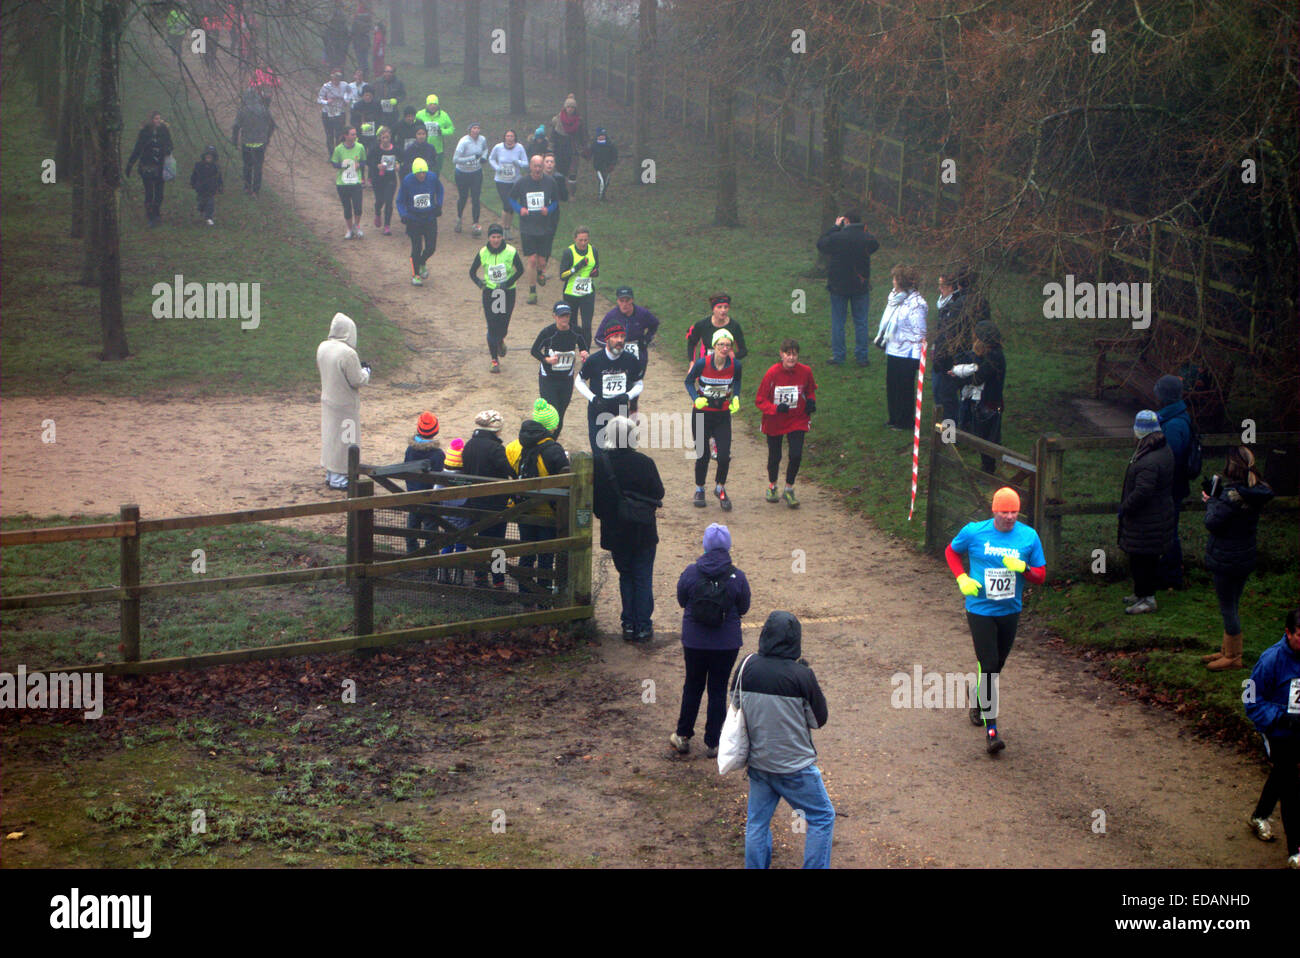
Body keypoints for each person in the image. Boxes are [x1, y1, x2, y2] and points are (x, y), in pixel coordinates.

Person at [946, 487, 1046, 755]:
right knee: (989, 666)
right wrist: (962, 578)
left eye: (1014, 511)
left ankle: (978, 699)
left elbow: (1041, 575)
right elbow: (951, 552)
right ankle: (992, 732)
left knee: (996, 666)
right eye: (1005, 511)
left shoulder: (1028, 536)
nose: (1010, 516)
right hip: (979, 609)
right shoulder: (974, 532)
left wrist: (1023, 568)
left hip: (1010, 611)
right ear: (994, 511)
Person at [732, 610, 834, 869]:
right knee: (822, 816)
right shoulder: (801, 675)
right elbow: (818, 720)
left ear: (765, 634)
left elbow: (735, 705)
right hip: (796, 768)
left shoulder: (746, 666)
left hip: (759, 763)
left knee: (757, 822)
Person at [671, 523, 751, 757]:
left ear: (705, 546)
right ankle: (714, 743)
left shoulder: (691, 572)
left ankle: (683, 735)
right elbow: (744, 606)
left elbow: (682, 599)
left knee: (693, 686)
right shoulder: (738, 576)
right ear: (728, 547)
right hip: (726, 644)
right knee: (717, 689)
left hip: (695, 642)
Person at [1200, 447, 1275, 670]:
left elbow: (1212, 522)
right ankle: (1228, 649)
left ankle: (1233, 657)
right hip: (1244, 556)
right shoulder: (1254, 493)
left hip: (1226, 558)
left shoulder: (1230, 498)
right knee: (1232, 602)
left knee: (1228, 606)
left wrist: (1211, 500)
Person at [591, 416, 664, 641]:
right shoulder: (645, 462)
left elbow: (597, 505)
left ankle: (629, 624)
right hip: (643, 530)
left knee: (626, 576)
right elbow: (658, 493)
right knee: (643, 577)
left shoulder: (601, 464)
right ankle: (643, 625)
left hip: (616, 532)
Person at [1244, 609, 1300, 869]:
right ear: (1288, 633)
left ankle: (1259, 816)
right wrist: (1281, 718)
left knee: (1282, 774)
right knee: (1290, 782)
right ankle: (1295, 852)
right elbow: (1251, 701)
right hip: (1277, 731)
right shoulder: (1270, 660)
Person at [505, 399, 570, 590]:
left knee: (526, 552)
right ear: (551, 428)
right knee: (546, 557)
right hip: (548, 513)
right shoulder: (554, 451)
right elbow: (565, 481)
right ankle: (543, 597)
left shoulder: (512, 447)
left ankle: (526, 596)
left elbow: (508, 474)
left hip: (523, 510)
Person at [1117, 411, 1176, 615]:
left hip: (1147, 519)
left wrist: (1125, 507)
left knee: (1144, 559)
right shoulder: (1162, 449)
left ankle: (1147, 598)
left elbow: (1143, 491)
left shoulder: (1149, 459)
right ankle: (1140, 593)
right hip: (1155, 516)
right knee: (1141, 558)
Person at [685, 328, 743, 511]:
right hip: (702, 414)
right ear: (714, 346)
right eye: (721, 345)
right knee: (702, 455)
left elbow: (738, 381)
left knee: (724, 456)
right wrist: (696, 399)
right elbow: (688, 381)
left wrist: (735, 397)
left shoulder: (735, 365)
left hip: (722, 415)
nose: (724, 348)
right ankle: (699, 488)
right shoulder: (703, 363)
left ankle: (720, 487)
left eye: (728, 345)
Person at [755, 338, 816, 507]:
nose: (791, 358)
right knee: (775, 456)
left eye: (794, 354)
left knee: (796, 454)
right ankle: (772, 485)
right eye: (788, 354)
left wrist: (811, 402)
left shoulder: (805, 371)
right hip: (775, 420)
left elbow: (810, 391)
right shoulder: (772, 373)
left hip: (797, 419)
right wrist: (775, 408)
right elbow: (760, 400)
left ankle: (789, 488)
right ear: (781, 355)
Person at [816, 210, 880, 367]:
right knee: (861, 322)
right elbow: (874, 244)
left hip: (838, 286)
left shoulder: (837, 237)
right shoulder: (866, 238)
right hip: (860, 285)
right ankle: (862, 357)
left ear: (846, 221)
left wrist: (835, 227)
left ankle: (839, 356)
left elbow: (821, 244)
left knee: (838, 322)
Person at [462, 410, 517, 588]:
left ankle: (480, 576)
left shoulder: (469, 445)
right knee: (497, 545)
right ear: (496, 430)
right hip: (495, 505)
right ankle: (499, 581)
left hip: (474, 502)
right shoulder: (496, 448)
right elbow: (508, 471)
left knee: (480, 542)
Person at [317, 312, 371, 490]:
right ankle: (339, 479)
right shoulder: (348, 353)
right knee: (346, 442)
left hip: (328, 402)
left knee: (332, 440)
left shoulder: (323, 347)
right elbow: (357, 380)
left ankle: (331, 474)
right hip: (345, 406)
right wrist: (367, 372)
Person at [931, 266, 990, 426]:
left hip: (952, 358)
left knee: (948, 400)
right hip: (974, 354)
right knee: (968, 396)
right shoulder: (981, 302)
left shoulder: (956, 306)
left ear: (958, 285)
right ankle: (966, 430)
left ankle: (949, 438)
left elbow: (948, 335)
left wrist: (939, 359)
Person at [948, 319, 1006, 473]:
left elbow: (978, 377)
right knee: (982, 439)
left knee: (988, 442)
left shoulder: (995, 357)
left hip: (990, 404)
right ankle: (986, 469)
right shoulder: (989, 355)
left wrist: (959, 375)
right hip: (985, 403)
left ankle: (988, 472)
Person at [575, 323, 644, 453]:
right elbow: (579, 381)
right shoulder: (595, 360)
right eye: (615, 336)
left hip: (621, 410)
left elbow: (639, 384)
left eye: (622, 337)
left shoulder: (631, 359)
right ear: (607, 339)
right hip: (598, 410)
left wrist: (628, 396)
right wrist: (593, 398)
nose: (619, 340)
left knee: (623, 451)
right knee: (599, 452)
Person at [1154, 373, 1194, 589]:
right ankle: (1169, 571)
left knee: (1169, 531)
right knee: (1168, 529)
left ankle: (1172, 574)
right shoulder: (1175, 417)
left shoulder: (1173, 424)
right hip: (1173, 485)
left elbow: (1171, 458)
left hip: (1171, 487)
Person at [469, 224, 524, 370]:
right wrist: (481, 284)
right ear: (489, 238)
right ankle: (494, 360)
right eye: (493, 237)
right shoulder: (483, 252)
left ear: (502, 237)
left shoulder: (511, 251)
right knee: (492, 325)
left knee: (503, 324)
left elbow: (520, 270)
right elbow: (472, 272)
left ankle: (500, 340)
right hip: (491, 293)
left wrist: (508, 283)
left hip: (507, 293)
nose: (496, 240)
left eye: (499, 237)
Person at [530, 302, 589, 436]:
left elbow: (583, 347)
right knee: (551, 413)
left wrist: (584, 353)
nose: (564, 319)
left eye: (567, 315)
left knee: (560, 416)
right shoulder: (547, 333)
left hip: (566, 379)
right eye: (561, 316)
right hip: (548, 378)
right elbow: (534, 351)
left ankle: (551, 443)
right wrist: (546, 360)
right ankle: (545, 444)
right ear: (554, 316)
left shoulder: (576, 331)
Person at [509, 156, 559, 306]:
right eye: (535, 166)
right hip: (528, 227)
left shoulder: (550, 182)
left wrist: (548, 209)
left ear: (543, 166)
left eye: (540, 166)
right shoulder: (522, 182)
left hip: (544, 227)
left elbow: (556, 201)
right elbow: (511, 199)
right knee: (531, 259)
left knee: (542, 261)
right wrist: (520, 209)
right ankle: (532, 292)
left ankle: (540, 272)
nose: (537, 169)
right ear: (530, 166)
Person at [595, 287, 660, 397]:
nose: (624, 304)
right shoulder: (612, 316)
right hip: (618, 359)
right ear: (617, 301)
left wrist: (646, 340)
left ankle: (632, 411)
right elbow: (598, 338)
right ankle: (620, 412)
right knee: (621, 390)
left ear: (632, 300)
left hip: (639, 356)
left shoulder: (642, 313)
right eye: (621, 301)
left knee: (635, 389)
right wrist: (612, 347)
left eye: (627, 300)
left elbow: (654, 324)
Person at [395, 157, 443, 286]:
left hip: (430, 218)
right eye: (419, 173)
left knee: (431, 247)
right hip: (414, 219)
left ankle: (422, 262)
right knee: (416, 248)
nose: (422, 176)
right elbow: (400, 201)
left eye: (424, 173)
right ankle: (415, 274)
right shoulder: (407, 181)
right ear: (414, 173)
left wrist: (439, 205)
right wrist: (403, 215)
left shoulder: (432, 178)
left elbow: (440, 190)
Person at [403, 411, 444, 553]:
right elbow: (439, 478)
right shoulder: (438, 454)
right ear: (436, 430)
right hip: (430, 500)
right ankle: (431, 562)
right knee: (431, 532)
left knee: (411, 529)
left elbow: (405, 470)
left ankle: (411, 556)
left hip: (413, 496)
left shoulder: (410, 450)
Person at [124, 111, 174, 227]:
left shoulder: (164, 130)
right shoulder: (144, 132)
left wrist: (167, 150)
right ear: (151, 120)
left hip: (161, 166)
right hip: (147, 165)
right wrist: (130, 165)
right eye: (156, 119)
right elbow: (138, 148)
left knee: (159, 193)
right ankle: (150, 216)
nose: (158, 121)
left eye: (159, 119)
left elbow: (170, 144)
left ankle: (157, 214)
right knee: (149, 193)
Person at [434, 438, 470, 584]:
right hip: (463, 516)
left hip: (446, 515)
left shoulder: (442, 476)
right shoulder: (466, 478)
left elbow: (435, 492)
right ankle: (459, 574)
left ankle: (442, 572)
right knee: (461, 543)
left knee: (447, 542)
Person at [231, 84, 276, 195]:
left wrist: (234, 142)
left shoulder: (242, 110)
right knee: (258, 167)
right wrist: (267, 138)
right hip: (260, 143)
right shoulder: (264, 109)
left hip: (246, 143)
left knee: (247, 166)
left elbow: (236, 127)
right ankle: (256, 191)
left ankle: (247, 188)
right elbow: (272, 125)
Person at [559, 226, 600, 345]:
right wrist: (577, 267)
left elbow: (596, 267)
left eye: (586, 240)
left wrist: (595, 272)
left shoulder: (593, 251)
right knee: (572, 325)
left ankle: (586, 353)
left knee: (587, 325)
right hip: (571, 293)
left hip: (587, 293)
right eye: (580, 240)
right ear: (575, 239)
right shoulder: (569, 252)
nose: (583, 243)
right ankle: (570, 350)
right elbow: (562, 276)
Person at [686, 293, 749, 364]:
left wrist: (734, 356)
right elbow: (692, 344)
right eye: (719, 307)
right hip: (705, 365)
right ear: (713, 309)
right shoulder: (702, 325)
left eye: (726, 307)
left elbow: (743, 350)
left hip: (726, 366)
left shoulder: (734, 326)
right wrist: (692, 363)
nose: (723, 310)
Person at [488, 130, 528, 240]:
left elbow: (526, 164)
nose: (510, 138)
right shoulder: (498, 147)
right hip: (501, 181)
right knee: (507, 204)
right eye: (507, 136)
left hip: (515, 181)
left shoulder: (519, 148)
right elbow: (491, 159)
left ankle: (507, 228)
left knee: (510, 207)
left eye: (512, 136)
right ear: (504, 137)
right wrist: (497, 168)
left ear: (515, 138)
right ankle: (503, 228)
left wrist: (518, 162)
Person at [331, 125, 368, 239]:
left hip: (356, 182)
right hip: (342, 183)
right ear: (346, 136)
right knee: (347, 208)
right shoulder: (338, 149)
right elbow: (334, 163)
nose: (355, 136)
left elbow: (364, 161)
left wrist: (359, 165)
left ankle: (356, 226)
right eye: (352, 134)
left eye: (355, 134)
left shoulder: (360, 147)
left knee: (358, 207)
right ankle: (349, 229)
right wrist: (343, 165)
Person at [452, 122, 488, 235]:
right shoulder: (464, 142)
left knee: (476, 198)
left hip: (476, 172)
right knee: (463, 197)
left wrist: (484, 157)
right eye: (474, 128)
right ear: (470, 130)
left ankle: (475, 224)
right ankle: (459, 218)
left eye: (478, 128)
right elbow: (455, 159)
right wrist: (472, 157)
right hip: (462, 173)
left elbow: (485, 149)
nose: (476, 130)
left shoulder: (482, 139)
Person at [550, 94, 587, 197]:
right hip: (559, 149)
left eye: (572, 107)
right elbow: (553, 136)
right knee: (560, 172)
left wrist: (584, 148)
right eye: (568, 107)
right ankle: (560, 193)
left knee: (572, 173)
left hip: (573, 149)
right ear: (565, 107)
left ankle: (571, 194)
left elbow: (582, 137)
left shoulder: (579, 122)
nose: (570, 109)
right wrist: (550, 149)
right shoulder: (557, 120)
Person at [368, 126, 400, 234]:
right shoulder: (376, 149)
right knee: (379, 201)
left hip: (391, 178)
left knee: (389, 201)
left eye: (387, 137)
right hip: (378, 178)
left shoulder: (395, 149)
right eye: (383, 138)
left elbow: (402, 158)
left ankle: (387, 225)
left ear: (390, 137)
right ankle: (377, 213)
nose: (386, 140)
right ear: (380, 139)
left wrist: (398, 165)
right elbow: (369, 161)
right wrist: (377, 165)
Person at [414, 93, 455, 176]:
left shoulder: (444, 115)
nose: (433, 106)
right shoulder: (419, 114)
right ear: (426, 105)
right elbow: (413, 127)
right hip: (422, 148)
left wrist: (442, 131)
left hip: (438, 149)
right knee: (422, 171)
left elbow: (451, 129)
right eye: (430, 104)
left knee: (435, 171)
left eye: (435, 104)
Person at [317, 69, 349, 159]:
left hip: (340, 113)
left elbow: (349, 94)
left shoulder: (345, 85)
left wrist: (346, 100)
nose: (336, 80)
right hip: (328, 113)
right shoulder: (326, 86)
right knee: (329, 135)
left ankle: (339, 154)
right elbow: (319, 99)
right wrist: (327, 101)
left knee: (340, 134)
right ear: (331, 78)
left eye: (338, 78)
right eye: (334, 78)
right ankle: (331, 155)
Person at [189, 144, 223, 227]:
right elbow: (194, 175)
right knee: (201, 202)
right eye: (207, 156)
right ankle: (201, 210)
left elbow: (219, 178)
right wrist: (193, 183)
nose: (208, 158)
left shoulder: (216, 167)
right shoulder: (199, 165)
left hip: (211, 188)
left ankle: (209, 217)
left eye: (210, 157)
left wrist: (220, 187)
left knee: (210, 203)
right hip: (201, 188)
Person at [350, 85, 383, 156]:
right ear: (363, 95)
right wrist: (360, 126)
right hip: (361, 134)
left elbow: (381, 118)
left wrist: (378, 128)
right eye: (366, 95)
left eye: (369, 96)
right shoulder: (357, 106)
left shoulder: (377, 105)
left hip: (373, 134)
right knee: (361, 154)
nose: (367, 97)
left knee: (373, 153)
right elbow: (352, 120)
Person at [372, 63, 406, 128]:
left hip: (393, 113)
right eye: (386, 72)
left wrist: (397, 100)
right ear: (383, 72)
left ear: (393, 73)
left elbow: (403, 95)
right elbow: (372, 95)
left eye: (390, 72)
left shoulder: (398, 83)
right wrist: (378, 101)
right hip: (380, 112)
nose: (388, 74)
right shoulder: (377, 82)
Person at [590, 127, 618, 200]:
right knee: (601, 181)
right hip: (598, 166)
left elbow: (615, 155)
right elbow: (589, 153)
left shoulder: (610, 145)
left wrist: (613, 163)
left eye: (603, 135)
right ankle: (600, 196)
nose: (601, 137)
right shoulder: (594, 144)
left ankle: (603, 195)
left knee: (606, 181)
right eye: (600, 136)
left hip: (608, 166)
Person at [350, 1, 372, 75]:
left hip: (360, 42)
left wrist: (355, 20)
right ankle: (364, 73)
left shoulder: (358, 17)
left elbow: (353, 30)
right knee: (363, 59)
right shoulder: (368, 15)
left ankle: (363, 73)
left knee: (361, 59)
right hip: (363, 42)